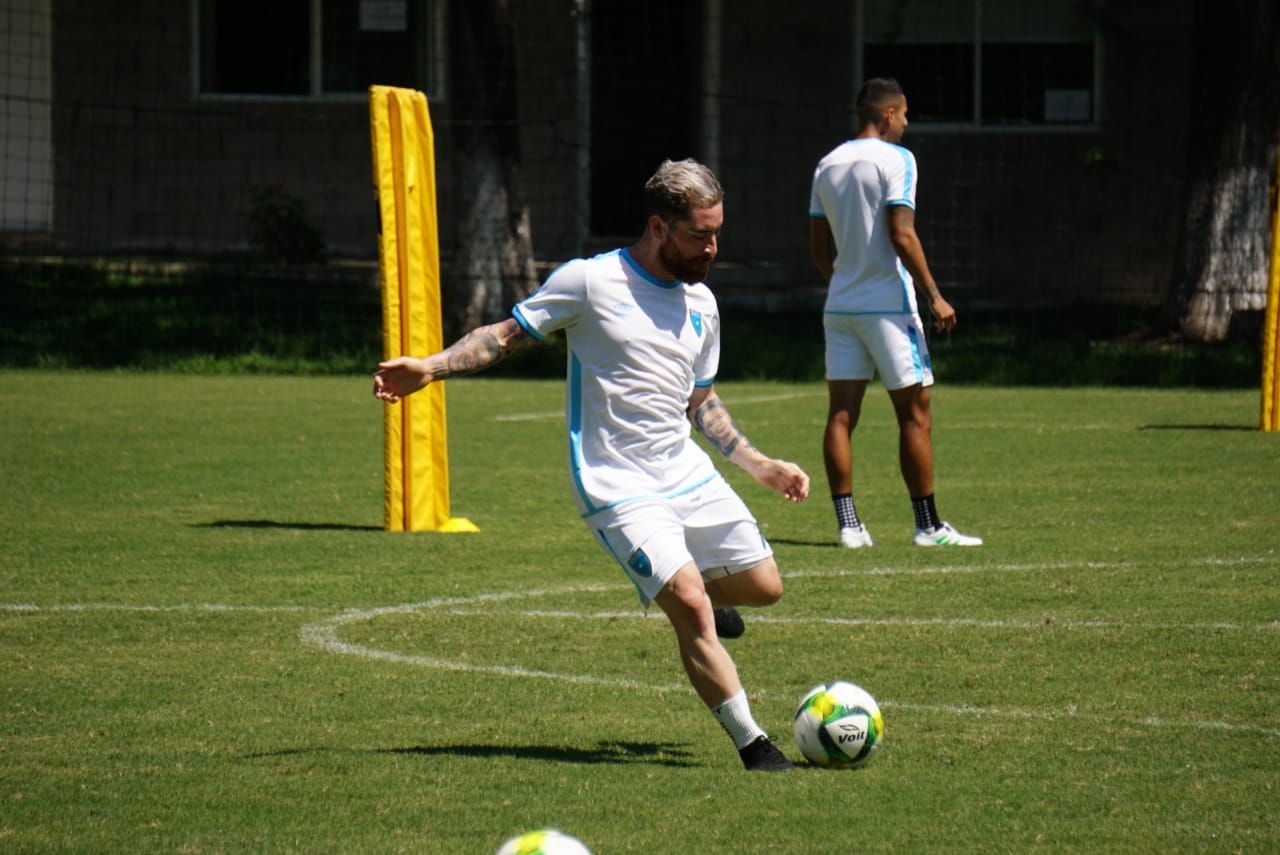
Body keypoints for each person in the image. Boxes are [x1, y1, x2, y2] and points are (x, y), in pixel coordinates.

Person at [374, 159, 810, 771]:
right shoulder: (589, 282)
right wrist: (431, 367)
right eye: (699, 235)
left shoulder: (703, 304)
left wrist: (759, 464)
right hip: (616, 482)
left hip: (683, 469)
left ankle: (706, 598)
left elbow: (701, 400)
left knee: (766, 586)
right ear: (658, 227)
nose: (712, 247)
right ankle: (755, 746)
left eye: (717, 233)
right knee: (689, 603)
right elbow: (503, 335)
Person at [808, 78, 981, 549]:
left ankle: (849, 526)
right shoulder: (898, 160)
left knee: (841, 415)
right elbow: (902, 233)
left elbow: (818, 246)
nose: (906, 123)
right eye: (904, 114)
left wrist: (844, 283)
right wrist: (934, 295)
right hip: (889, 305)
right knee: (915, 415)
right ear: (887, 113)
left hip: (841, 304)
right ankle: (928, 526)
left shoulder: (828, 163)